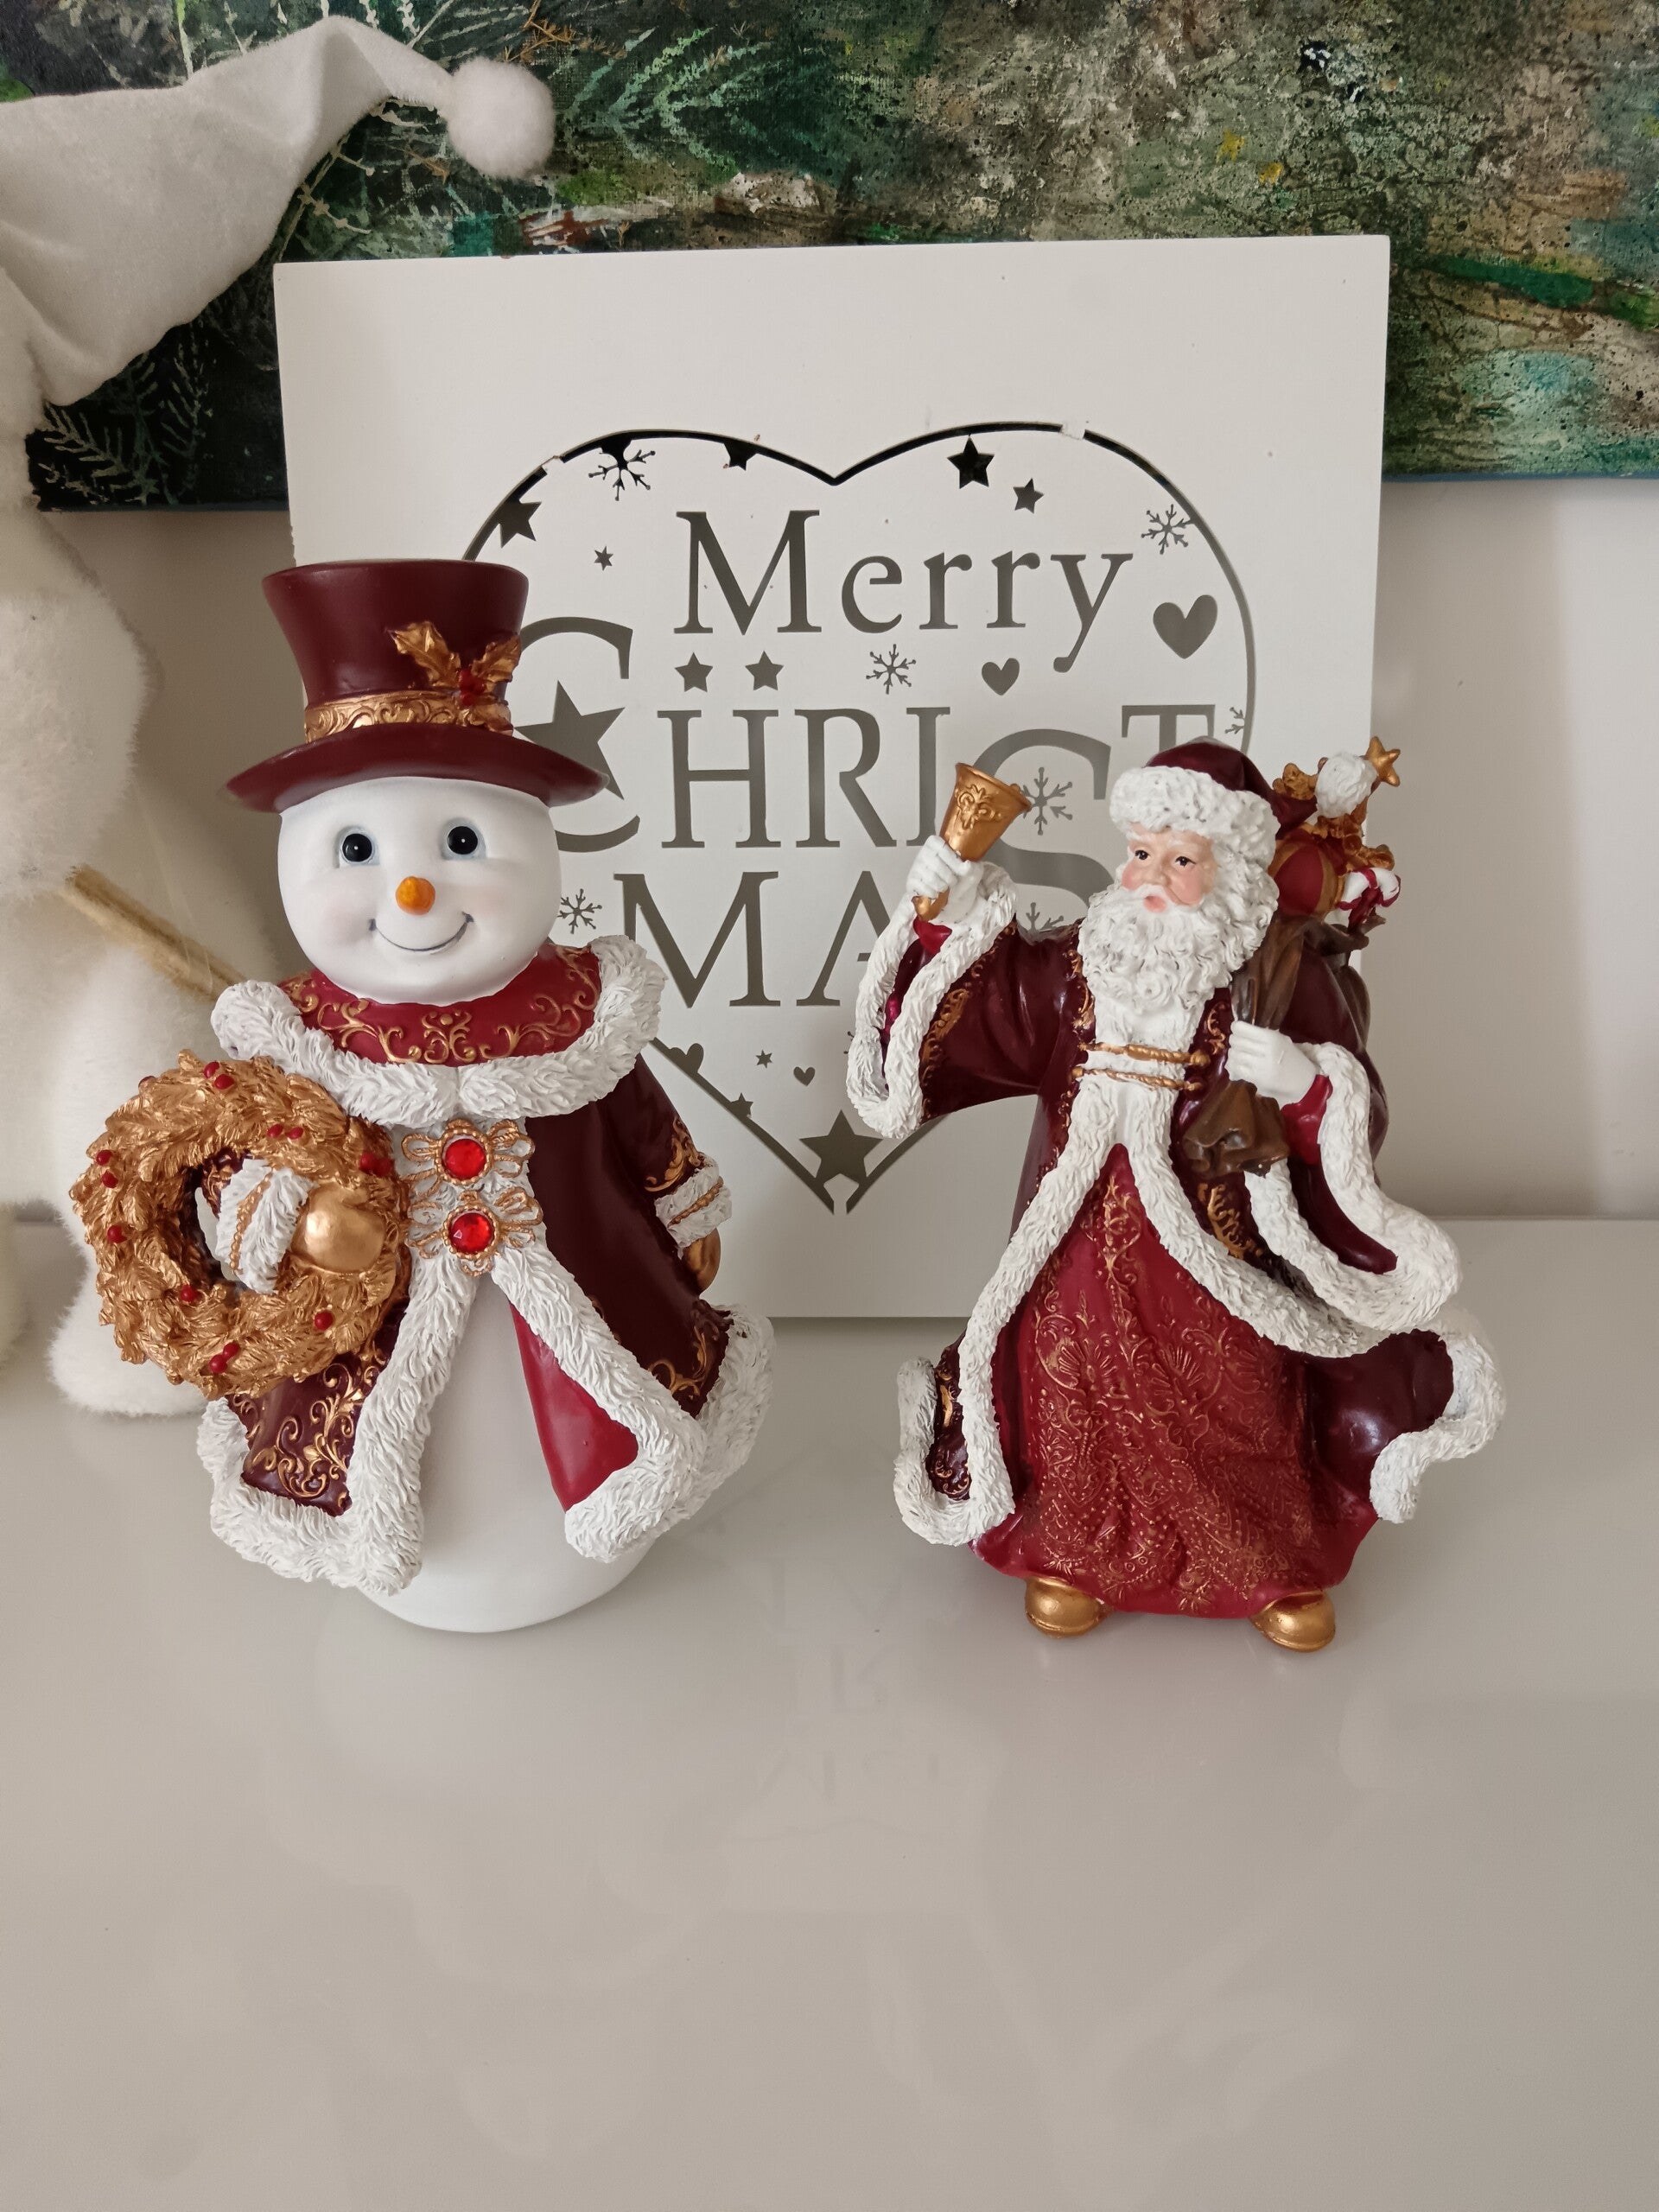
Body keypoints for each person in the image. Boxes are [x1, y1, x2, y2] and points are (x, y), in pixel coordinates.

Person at [847, 741, 1500, 1649]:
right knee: (1070, 1389)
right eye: (1142, 852)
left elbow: (1361, 1110)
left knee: (1239, 1398)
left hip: (1221, 1254)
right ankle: (1075, 1550)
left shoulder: (1283, 978)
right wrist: (943, 915)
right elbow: (990, 1007)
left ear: (1232, 869)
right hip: (1074, 1249)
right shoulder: (1086, 960)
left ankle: (1268, 1561)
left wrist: (1304, 1081)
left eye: (1181, 858)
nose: (1151, 876)